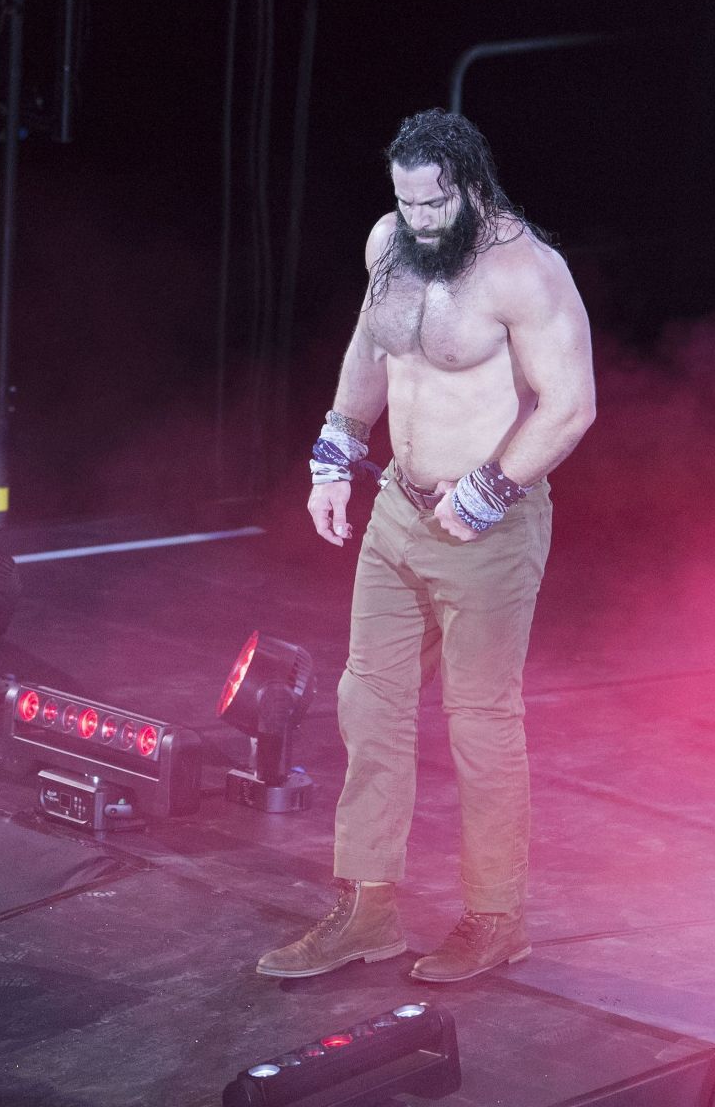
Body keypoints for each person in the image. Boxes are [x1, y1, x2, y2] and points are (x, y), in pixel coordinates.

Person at [257, 109, 596, 984]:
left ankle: (495, 918)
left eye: (433, 205)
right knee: (367, 704)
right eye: (405, 203)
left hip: (486, 528)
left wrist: (487, 492)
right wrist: (337, 449)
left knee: (480, 723)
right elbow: (373, 348)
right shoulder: (389, 244)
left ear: (470, 186)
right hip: (397, 514)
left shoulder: (525, 271)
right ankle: (367, 909)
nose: (419, 220)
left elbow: (570, 404)